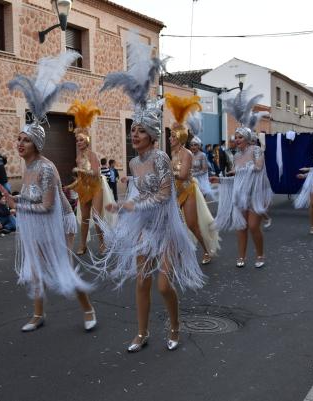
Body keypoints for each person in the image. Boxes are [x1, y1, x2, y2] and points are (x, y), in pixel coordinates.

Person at [98, 32, 205, 352]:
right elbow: (134, 193)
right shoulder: (133, 162)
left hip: (166, 229)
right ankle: (142, 333)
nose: (134, 134)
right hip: (144, 230)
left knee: (162, 284)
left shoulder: (160, 158)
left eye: (139, 130)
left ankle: (174, 325)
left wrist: (133, 206)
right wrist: (122, 205)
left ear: (153, 134)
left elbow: (163, 195)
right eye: (132, 129)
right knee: (142, 282)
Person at [7, 50, 97, 333]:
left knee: (63, 270)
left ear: (37, 145)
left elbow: (47, 206)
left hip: (60, 221)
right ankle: (38, 315)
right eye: (19, 139)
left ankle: (88, 309)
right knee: (35, 268)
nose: (20, 144)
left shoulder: (45, 168)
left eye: (26, 140)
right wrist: (17, 199)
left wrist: (16, 205)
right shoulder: (28, 167)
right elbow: (33, 198)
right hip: (39, 219)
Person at [213, 89, 273, 268]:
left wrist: (240, 171)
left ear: (247, 138)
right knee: (241, 226)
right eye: (235, 137)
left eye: (239, 137)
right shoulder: (236, 156)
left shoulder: (255, 150)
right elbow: (237, 178)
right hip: (241, 195)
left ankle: (260, 254)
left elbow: (258, 167)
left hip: (255, 194)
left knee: (253, 226)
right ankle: (242, 256)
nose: (236, 140)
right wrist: (221, 179)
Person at [165, 93, 220, 265]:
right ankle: (177, 253)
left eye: (173, 136)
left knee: (191, 224)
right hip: (174, 192)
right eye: (170, 135)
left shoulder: (187, 154)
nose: (169, 138)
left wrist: (167, 173)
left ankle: (206, 250)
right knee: (172, 225)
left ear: (180, 137)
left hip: (188, 191)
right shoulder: (172, 154)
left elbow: (182, 175)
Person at [65, 99, 114, 255]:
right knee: (84, 218)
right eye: (76, 140)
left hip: (95, 187)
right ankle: (83, 245)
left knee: (96, 217)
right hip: (83, 189)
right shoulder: (78, 158)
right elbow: (80, 178)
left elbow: (96, 173)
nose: (78, 142)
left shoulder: (93, 155)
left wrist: (81, 171)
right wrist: (70, 186)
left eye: (81, 140)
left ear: (86, 140)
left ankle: (102, 243)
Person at [187, 115, 215, 201]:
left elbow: (204, 170)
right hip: (191, 180)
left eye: (195, 145)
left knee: (201, 199)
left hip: (201, 181)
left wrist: (194, 175)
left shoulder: (202, 155)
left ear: (199, 146)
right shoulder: (189, 154)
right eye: (191, 145)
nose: (193, 147)